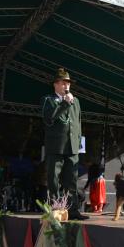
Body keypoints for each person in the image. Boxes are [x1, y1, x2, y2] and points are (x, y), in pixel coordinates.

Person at [41, 68, 88, 220]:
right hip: (56, 147)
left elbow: (78, 123)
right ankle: (56, 209)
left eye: (68, 83)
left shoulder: (76, 101)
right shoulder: (48, 100)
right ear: (55, 84)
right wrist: (64, 104)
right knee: (53, 179)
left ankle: (73, 210)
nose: (66, 86)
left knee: (72, 180)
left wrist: (79, 145)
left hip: (72, 147)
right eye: (63, 83)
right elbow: (49, 119)